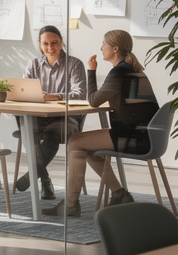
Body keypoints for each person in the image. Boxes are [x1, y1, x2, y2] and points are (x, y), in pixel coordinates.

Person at [50, 30, 157, 218]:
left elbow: (93, 100)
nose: (101, 48)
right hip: (144, 136)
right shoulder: (129, 69)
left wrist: (91, 70)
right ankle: (118, 194)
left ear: (115, 49)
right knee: (85, 148)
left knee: (75, 142)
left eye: (104, 44)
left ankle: (72, 204)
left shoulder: (120, 72)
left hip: (135, 138)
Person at [16, 25, 88, 200]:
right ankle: (45, 179)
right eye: (45, 44)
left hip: (66, 119)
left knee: (52, 133)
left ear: (61, 42)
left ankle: (33, 175)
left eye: (54, 43)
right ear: (40, 45)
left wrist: (54, 96)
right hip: (39, 117)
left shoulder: (74, 64)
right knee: (27, 126)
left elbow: (80, 94)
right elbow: (24, 91)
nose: (50, 47)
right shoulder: (33, 64)